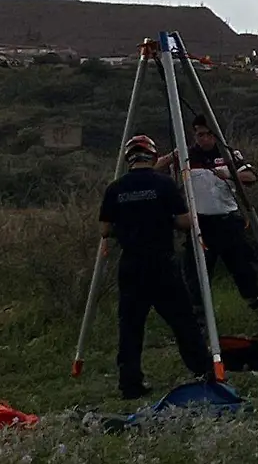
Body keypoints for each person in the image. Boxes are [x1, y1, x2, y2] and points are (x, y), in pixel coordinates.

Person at [99, 134, 212, 399]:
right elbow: (185, 222)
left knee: (130, 326)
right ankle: (204, 371)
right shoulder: (164, 184)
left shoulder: (115, 188)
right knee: (183, 321)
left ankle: (130, 384)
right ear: (152, 156)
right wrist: (162, 221)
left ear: (128, 159)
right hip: (162, 264)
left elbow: (104, 229)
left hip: (131, 265)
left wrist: (127, 228)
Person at [156, 115, 258, 333]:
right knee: (195, 278)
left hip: (228, 222)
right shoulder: (186, 156)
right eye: (200, 135)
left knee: (245, 272)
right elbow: (154, 169)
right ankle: (200, 329)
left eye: (208, 134)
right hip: (200, 226)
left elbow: (251, 176)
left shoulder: (228, 154)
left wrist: (229, 174)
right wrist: (173, 155)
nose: (204, 139)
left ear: (215, 135)